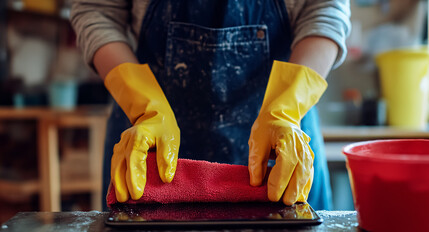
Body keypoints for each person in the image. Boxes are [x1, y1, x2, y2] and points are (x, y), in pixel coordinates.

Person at [70, 0, 351, 211]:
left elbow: (325, 11)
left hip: (281, 147)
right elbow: (97, 12)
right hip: (148, 146)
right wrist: (144, 106)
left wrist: (286, 110)